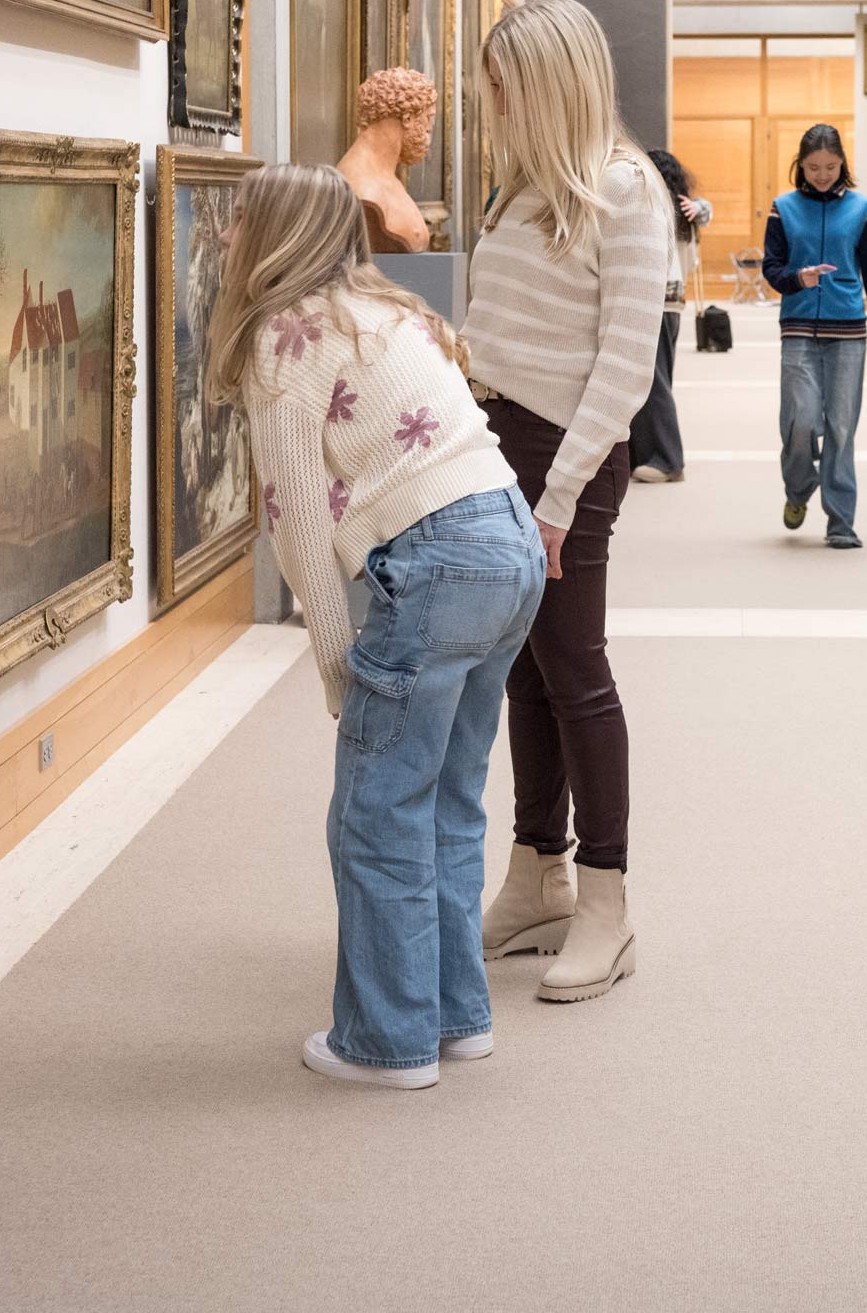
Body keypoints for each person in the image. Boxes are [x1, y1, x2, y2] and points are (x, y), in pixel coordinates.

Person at [211, 164, 546, 1089]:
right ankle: (456, 1016)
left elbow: (297, 521)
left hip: (441, 562)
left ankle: (388, 1042)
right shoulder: (386, 310)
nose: (227, 236)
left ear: (275, 233)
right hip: (508, 542)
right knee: (443, 797)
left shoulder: (285, 335)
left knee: (375, 810)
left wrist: (334, 664)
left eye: (239, 219)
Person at [464, 0, 670, 1004]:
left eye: (503, 86)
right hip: (490, 443)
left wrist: (556, 500)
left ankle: (605, 898)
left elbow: (626, 366)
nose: (490, 102)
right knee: (525, 670)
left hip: (568, 456)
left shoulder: (627, 193)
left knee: (576, 668)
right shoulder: (518, 190)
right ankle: (536, 871)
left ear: (548, 86)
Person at [761, 123, 867, 548]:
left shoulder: (861, 209)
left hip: (848, 331)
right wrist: (796, 279)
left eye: (830, 166)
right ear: (799, 166)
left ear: (842, 163)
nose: (822, 174)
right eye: (812, 167)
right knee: (801, 421)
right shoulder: (782, 207)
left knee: (841, 428)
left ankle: (841, 521)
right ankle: (798, 489)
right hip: (799, 329)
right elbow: (772, 268)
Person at [628, 148, 710, 484]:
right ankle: (645, 453)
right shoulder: (685, 214)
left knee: (654, 382)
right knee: (655, 380)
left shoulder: (654, 210)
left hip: (654, 303)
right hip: (672, 304)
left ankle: (668, 459)